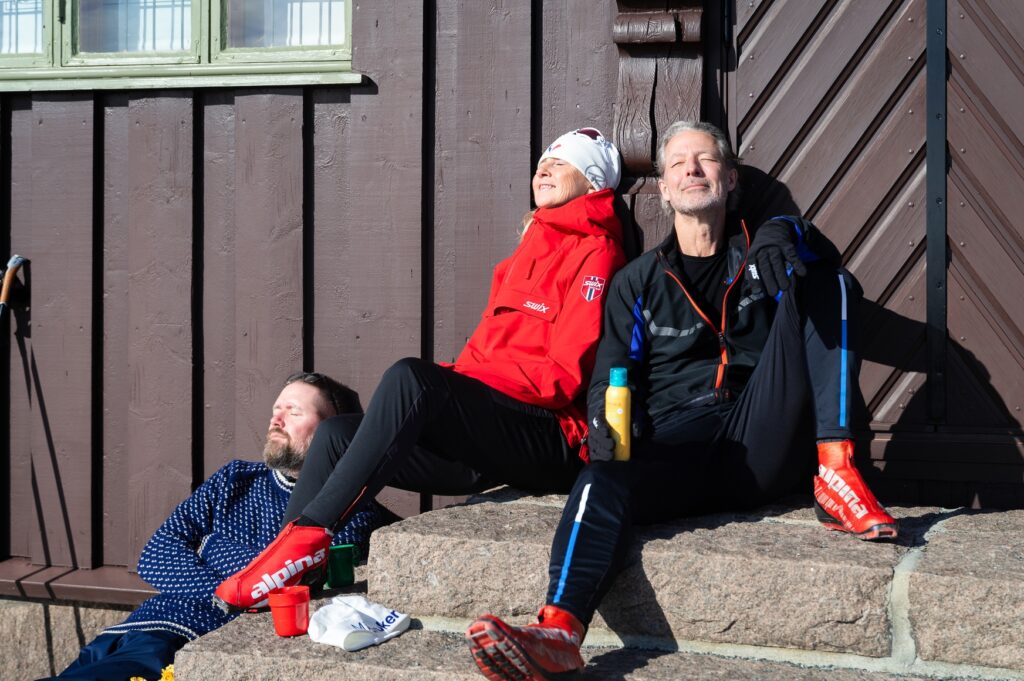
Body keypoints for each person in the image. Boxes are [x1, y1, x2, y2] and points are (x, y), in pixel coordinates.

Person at [464, 120, 898, 680]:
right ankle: (559, 632)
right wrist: (605, 423)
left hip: (759, 435)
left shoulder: (764, 257)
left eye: (706, 159)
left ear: (731, 179)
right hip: (676, 444)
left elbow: (827, 264)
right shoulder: (638, 281)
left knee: (828, 280)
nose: (692, 169)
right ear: (664, 189)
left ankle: (838, 467)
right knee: (599, 476)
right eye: (677, 164)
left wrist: (787, 230)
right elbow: (613, 372)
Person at [213, 128, 628, 612]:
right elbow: (486, 356)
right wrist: (464, 385)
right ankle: (292, 569)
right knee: (336, 434)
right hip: (492, 432)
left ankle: (305, 541)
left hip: (549, 438)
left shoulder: (598, 252)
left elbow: (566, 375)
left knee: (412, 378)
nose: (544, 169)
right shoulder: (525, 252)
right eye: (542, 162)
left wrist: (461, 388)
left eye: (562, 163)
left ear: (594, 181)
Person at [48, 372, 388, 681]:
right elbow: (155, 555)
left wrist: (210, 546)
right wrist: (227, 592)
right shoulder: (235, 479)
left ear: (334, 431)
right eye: (276, 409)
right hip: (135, 628)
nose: (276, 419)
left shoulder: (351, 513)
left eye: (294, 412)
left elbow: (294, 579)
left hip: (190, 644)